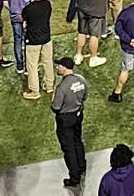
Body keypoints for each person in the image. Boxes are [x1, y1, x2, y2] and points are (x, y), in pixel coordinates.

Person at [51, 59, 88, 189]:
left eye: (59, 66)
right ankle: (82, 166)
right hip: (78, 115)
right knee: (77, 141)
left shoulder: (62, 87)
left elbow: (56, 107)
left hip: (65, 119)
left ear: (65, 68)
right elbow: (84, 97)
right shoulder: (81, 79)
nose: (57, 68)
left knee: (69, 148)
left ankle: (74, 178)